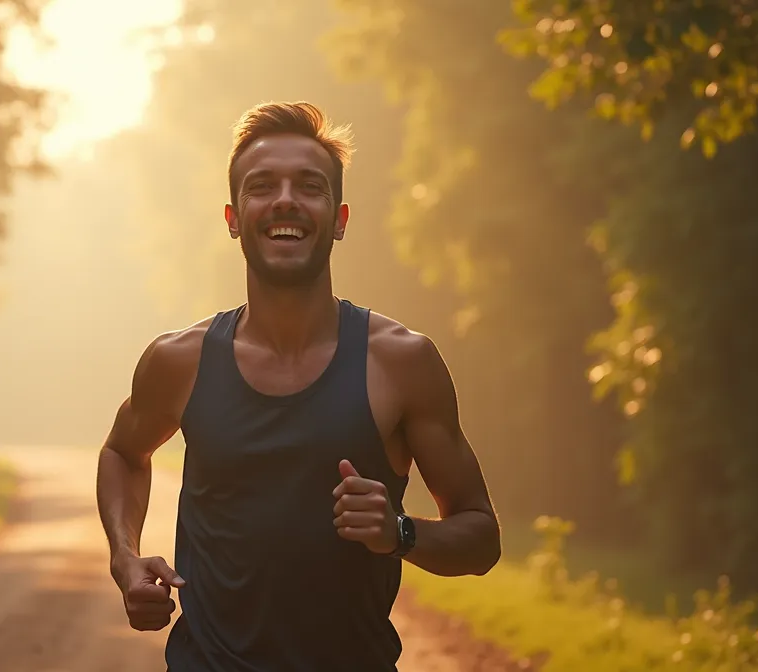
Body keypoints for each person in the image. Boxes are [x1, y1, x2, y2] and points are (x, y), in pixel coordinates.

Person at [95, 101, 501, 671]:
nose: (285, 199)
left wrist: (399, 532)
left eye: (309, 186)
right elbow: (122, 451)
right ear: (235, 218)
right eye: (263, 186)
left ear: (339, 219)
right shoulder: (178, 360)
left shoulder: (401, 362)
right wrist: (125, 556)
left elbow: (481, 538)